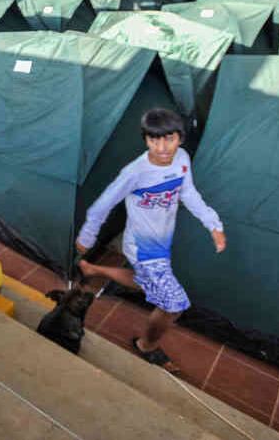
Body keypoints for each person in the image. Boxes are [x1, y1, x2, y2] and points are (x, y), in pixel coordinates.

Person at [74, 108, 226, 372]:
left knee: (145, 282)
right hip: (142, 247)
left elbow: (188, 192)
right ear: (146, 140)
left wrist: (213, 224)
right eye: (154, 140)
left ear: (180, 138)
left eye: (169, 139)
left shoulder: (182, 159)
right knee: (173, 306)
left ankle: (94, 270)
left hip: (163, 240)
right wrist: (88, 234)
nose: (162, 148)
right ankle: (145, 345)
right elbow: (103, 204)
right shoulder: (135, 172)